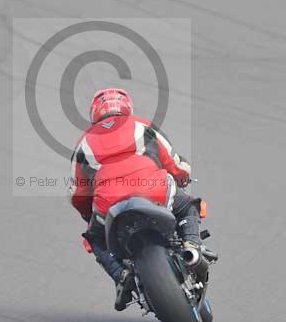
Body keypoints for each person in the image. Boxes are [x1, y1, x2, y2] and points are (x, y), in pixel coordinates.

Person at [69, 88, 207, 310]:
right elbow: (173, 163)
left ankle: (120, 274)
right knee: (187, 205)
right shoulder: (142, 126)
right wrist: (184, 175)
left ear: (95, 112)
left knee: (94, 237)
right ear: (127, 106)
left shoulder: (83, 143)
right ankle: (191, 247)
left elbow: (78, 193)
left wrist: (90, 214)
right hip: (153, 189)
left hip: (110, 202)